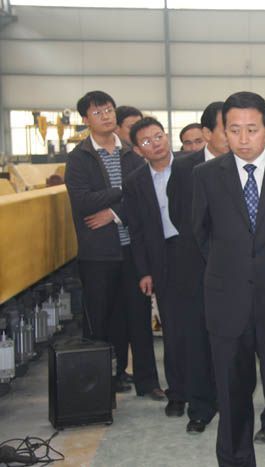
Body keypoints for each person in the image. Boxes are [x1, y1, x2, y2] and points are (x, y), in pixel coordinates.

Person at [192, 91, 265, 467]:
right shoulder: (206, 175)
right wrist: (235, 270)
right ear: (223, 131)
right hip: (227, 303)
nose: (243, 139)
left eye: (252, 129)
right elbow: (201, 234)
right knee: (231, 396)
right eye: (234, 130)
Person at [64, 90, 164, 401]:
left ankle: (148, 382)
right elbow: (83, 201)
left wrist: (113, 213)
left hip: (133, 250)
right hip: (98, 254)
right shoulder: (79, 158)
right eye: (98, 112)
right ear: (86, 119)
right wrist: (123, 189)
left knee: (138, 318)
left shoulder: (132, 154)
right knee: (100, 321)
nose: (106, 116)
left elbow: (143, 198)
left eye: (108, 110)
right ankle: (100, 385)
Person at [166, 101, 225, 434]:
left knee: (233, 341)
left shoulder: (247, 164)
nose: (236, 136)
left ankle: (232, 404)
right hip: (195, 265)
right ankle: (200, 407)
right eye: (228, 128)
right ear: (207, 133)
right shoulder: (184, 168)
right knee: (197, 338)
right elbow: (178, 213)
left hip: (236, 269)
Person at [123, 117, 187, 417]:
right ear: (138, 150)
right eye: (147, 141)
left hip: (194, 253)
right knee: (172, 328)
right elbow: (136, 230)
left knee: (204, 326)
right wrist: (144, 271)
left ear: (167, 136)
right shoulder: (135, 182)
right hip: (161, 257)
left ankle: (207, 390)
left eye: (158, 136)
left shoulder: (191, 168)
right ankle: (178, 393)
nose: (156, 144)